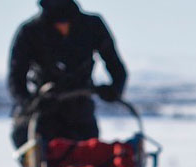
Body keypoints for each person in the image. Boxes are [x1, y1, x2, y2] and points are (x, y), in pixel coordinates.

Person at [8, 0, 127, 149]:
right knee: (42, 163)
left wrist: (115, 89)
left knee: (86, 164)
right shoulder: (30, 31)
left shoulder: (92, 26)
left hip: (81, 117)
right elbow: (15, 79)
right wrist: (31, 103)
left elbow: (117, 68)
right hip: (44, 119)